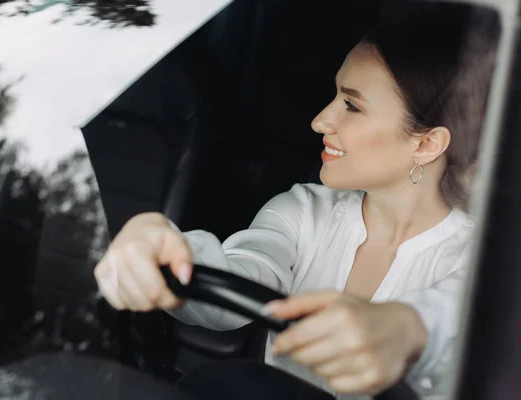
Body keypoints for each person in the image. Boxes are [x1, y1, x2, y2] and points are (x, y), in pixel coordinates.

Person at [94, 4, 497, 400]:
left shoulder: (485, 262)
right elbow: (241, 275)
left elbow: (454, 322)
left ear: (427, 144)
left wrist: (407, 329)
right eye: (335, 96)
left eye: (351, 105)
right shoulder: (303, 210)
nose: (319, 120)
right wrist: (165, 248)